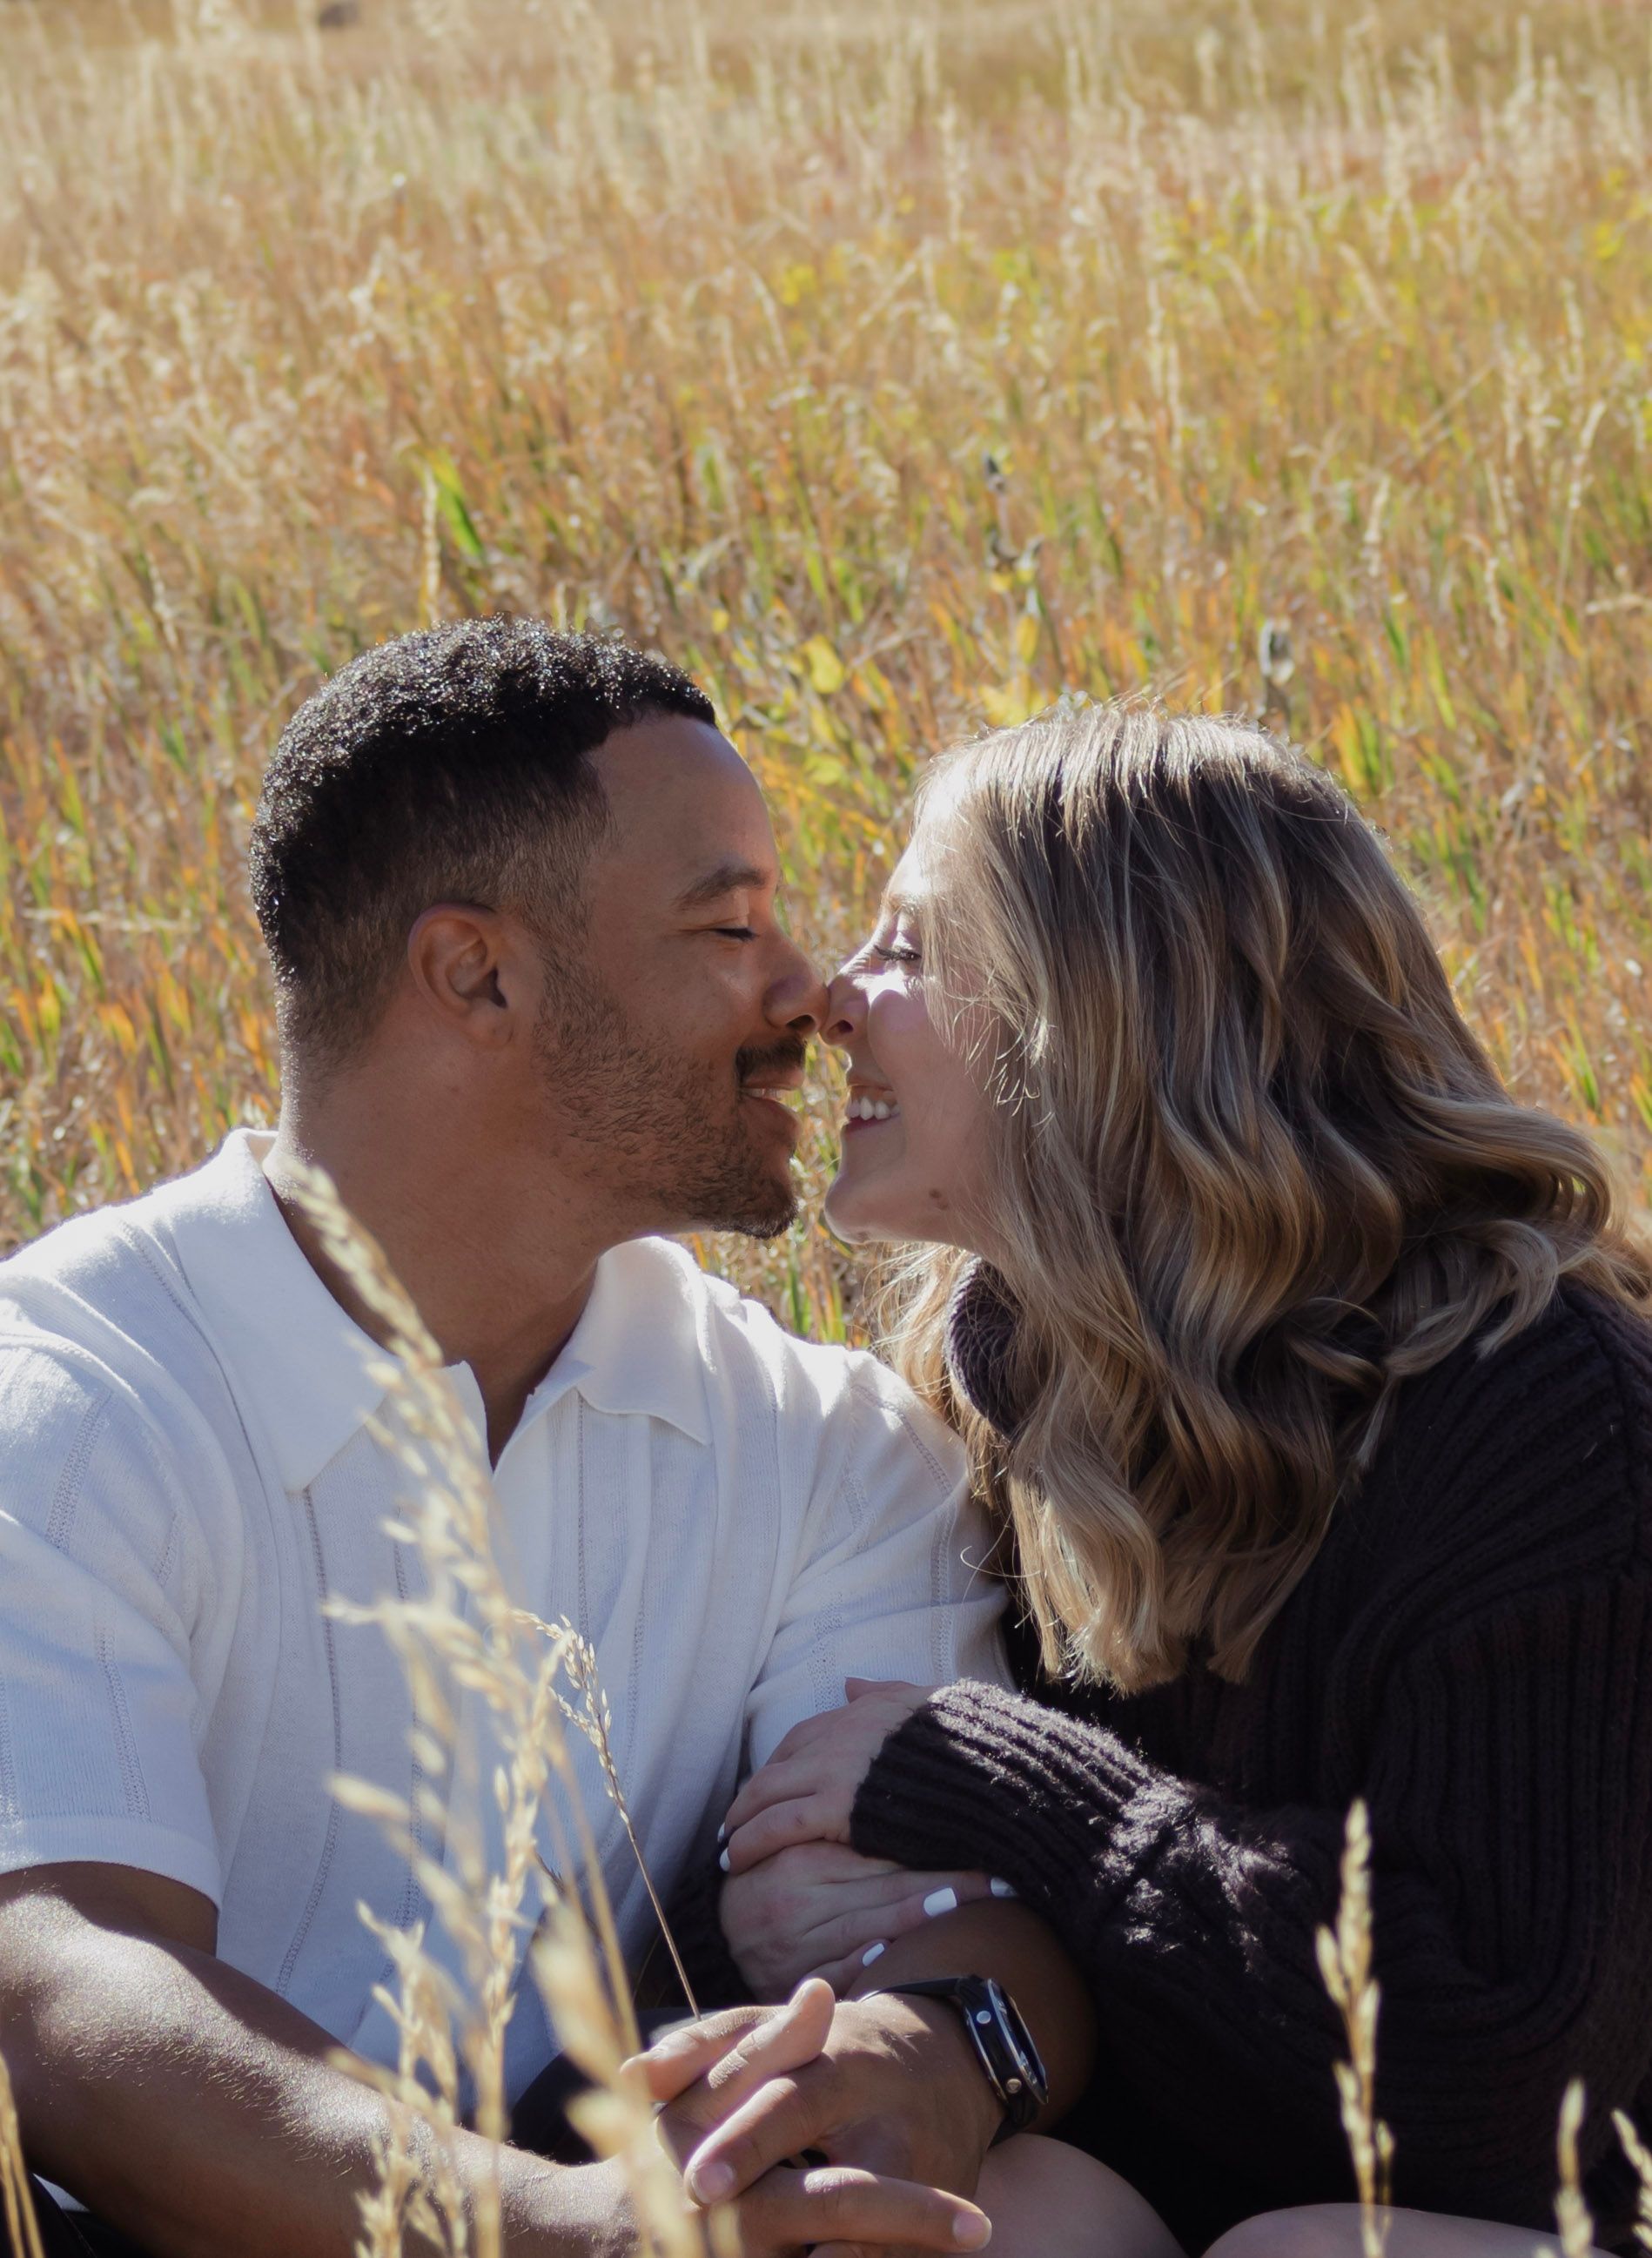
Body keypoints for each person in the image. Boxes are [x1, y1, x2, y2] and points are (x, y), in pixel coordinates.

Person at [0, 620, 1106, 2258]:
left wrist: (930, 2051)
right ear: (479, 975)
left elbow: (972, 1918)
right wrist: (565, 2233)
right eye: (729, 923)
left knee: (1034, 2215)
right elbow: (71, 1996)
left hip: (629, 2186)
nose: (807, 991)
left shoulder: (822, 1443)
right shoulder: (76, 1399)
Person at [682, 704, 1652, 2256]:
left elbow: (1490, 2078)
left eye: (915, 948)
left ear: (1107, 1012)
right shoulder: (1002, 1377)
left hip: (1527, 2220)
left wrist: (1019, 1785)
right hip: (1203, 2198)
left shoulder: (1534, 1405)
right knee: (963, 2214)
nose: (833, 1002)